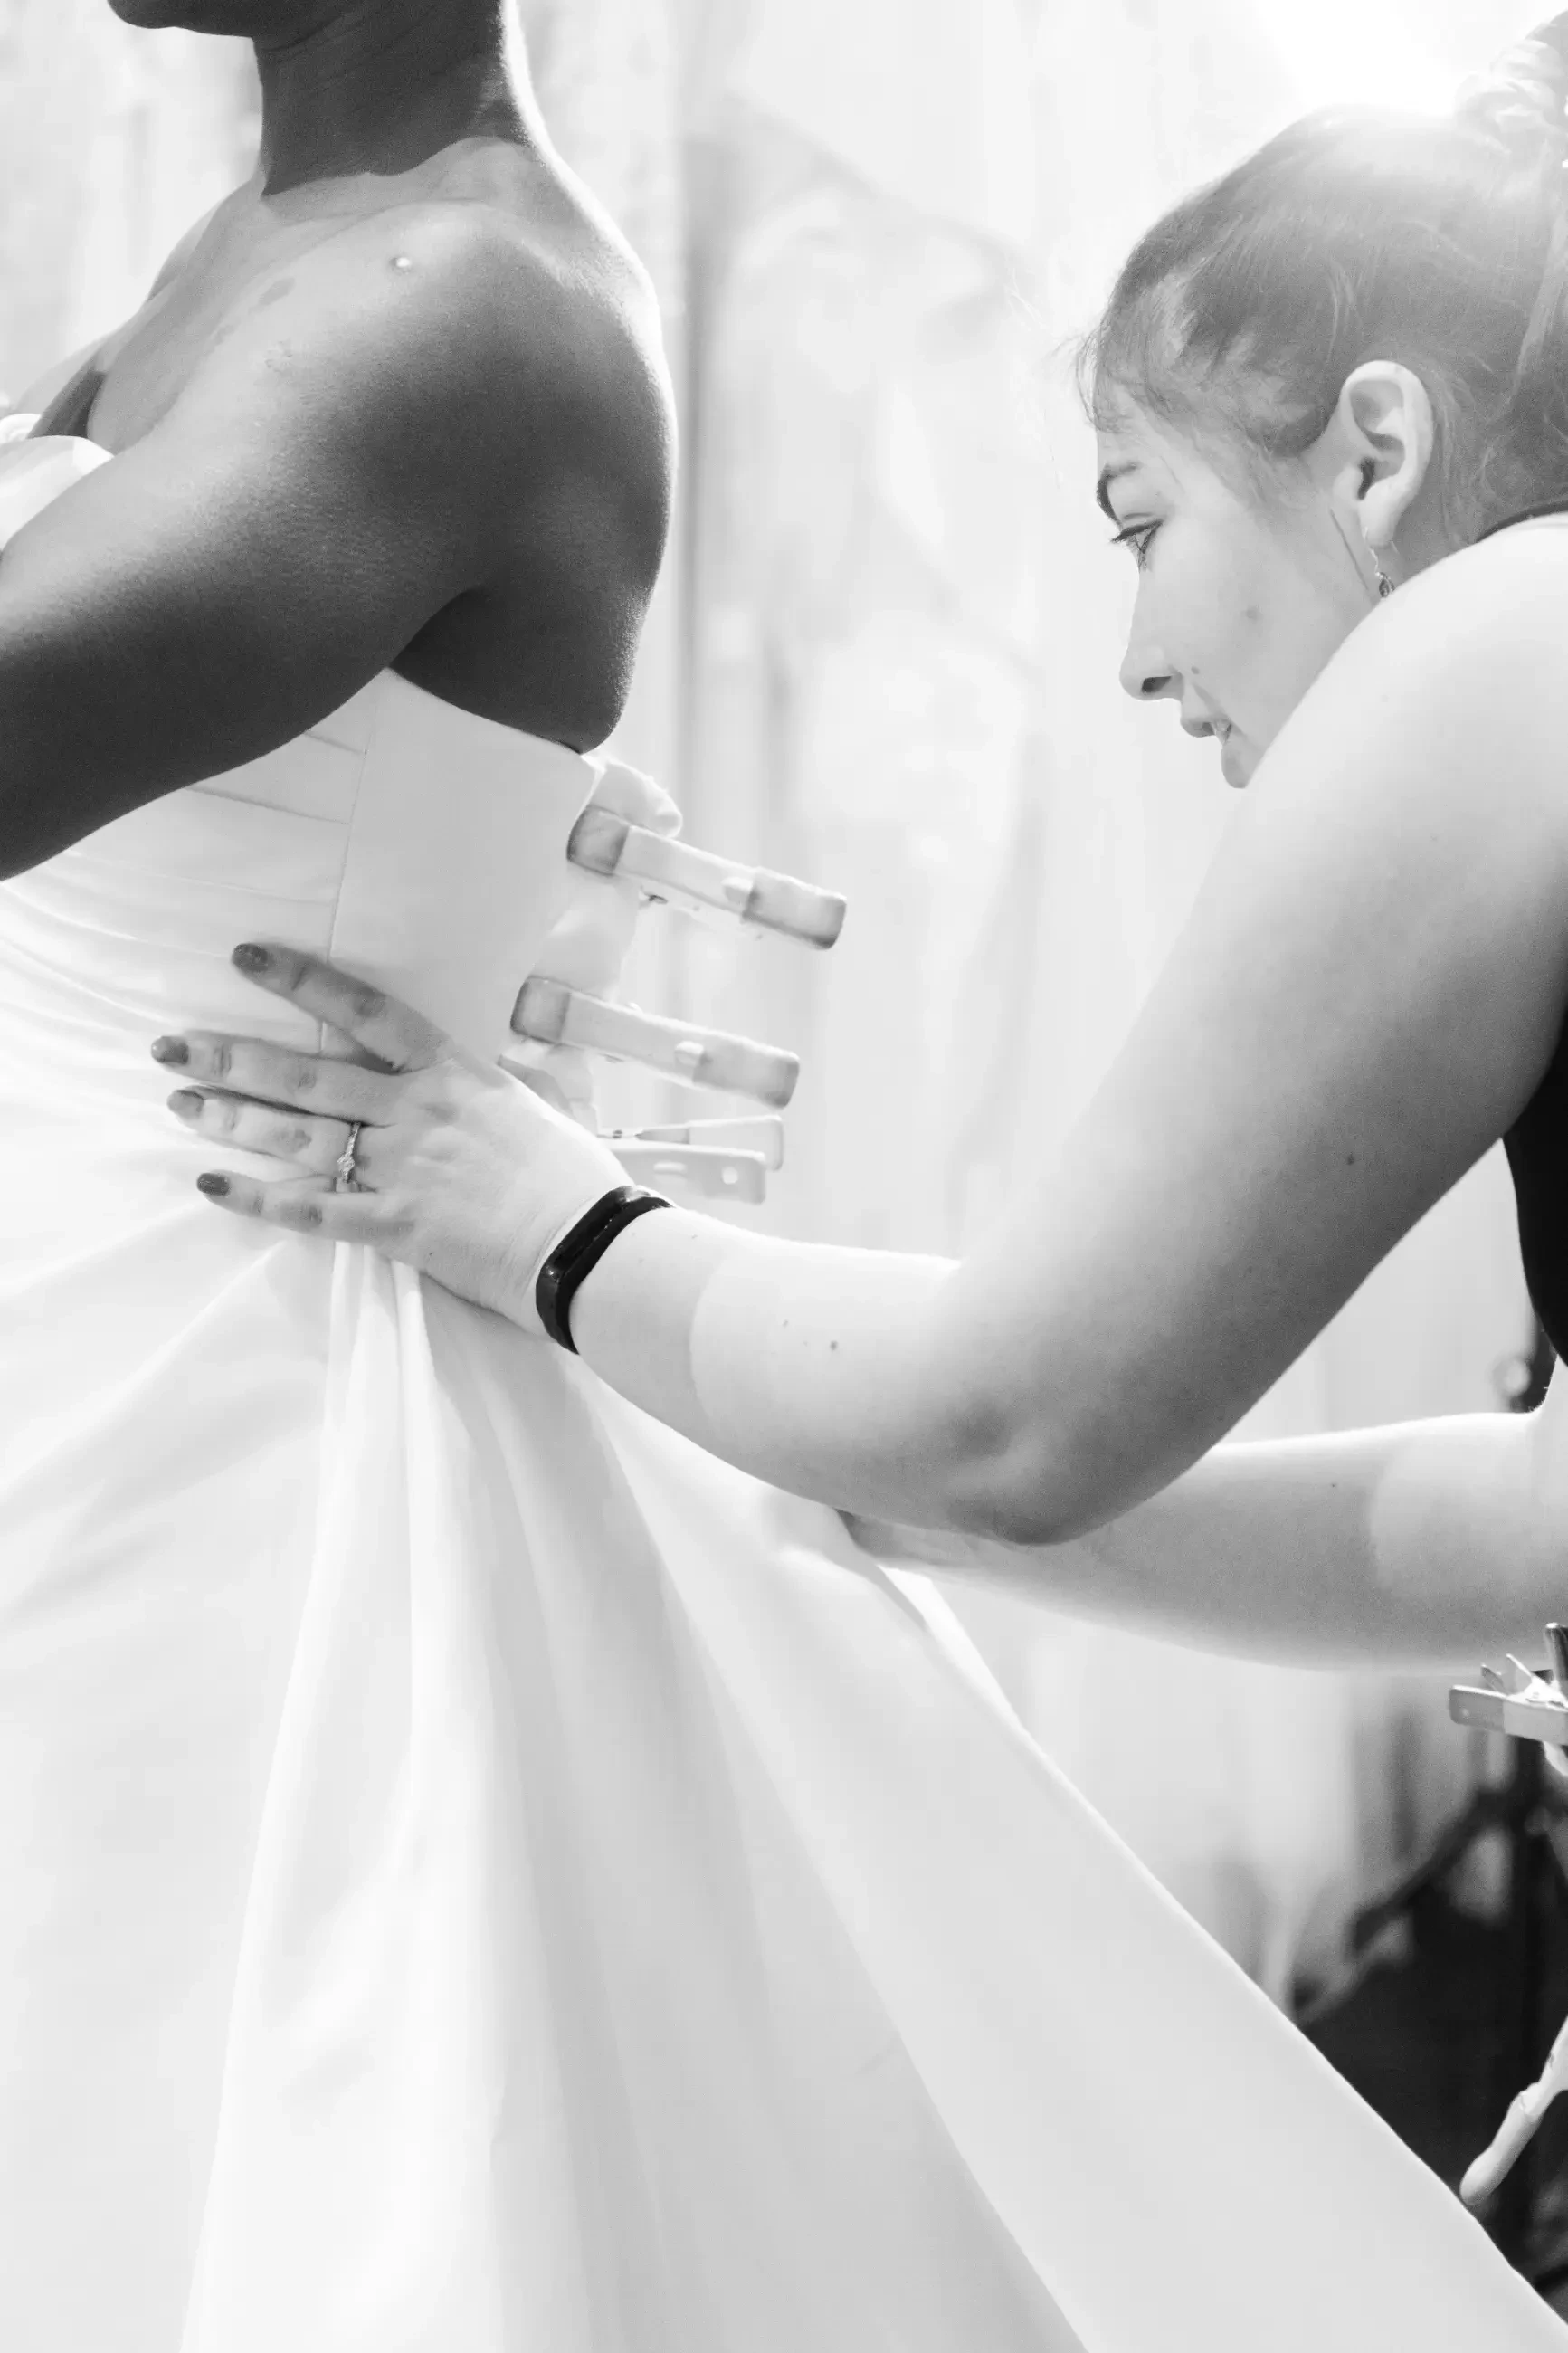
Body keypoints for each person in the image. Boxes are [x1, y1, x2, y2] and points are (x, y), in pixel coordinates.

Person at [12, 9, 1566, 2353]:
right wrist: (811, 1460)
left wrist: (565, 1232)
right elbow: (1522, 1519)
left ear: (1374, 450)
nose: (1135, 658)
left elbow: (1020, 1414)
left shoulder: (1497, 645)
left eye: (1138, 522)